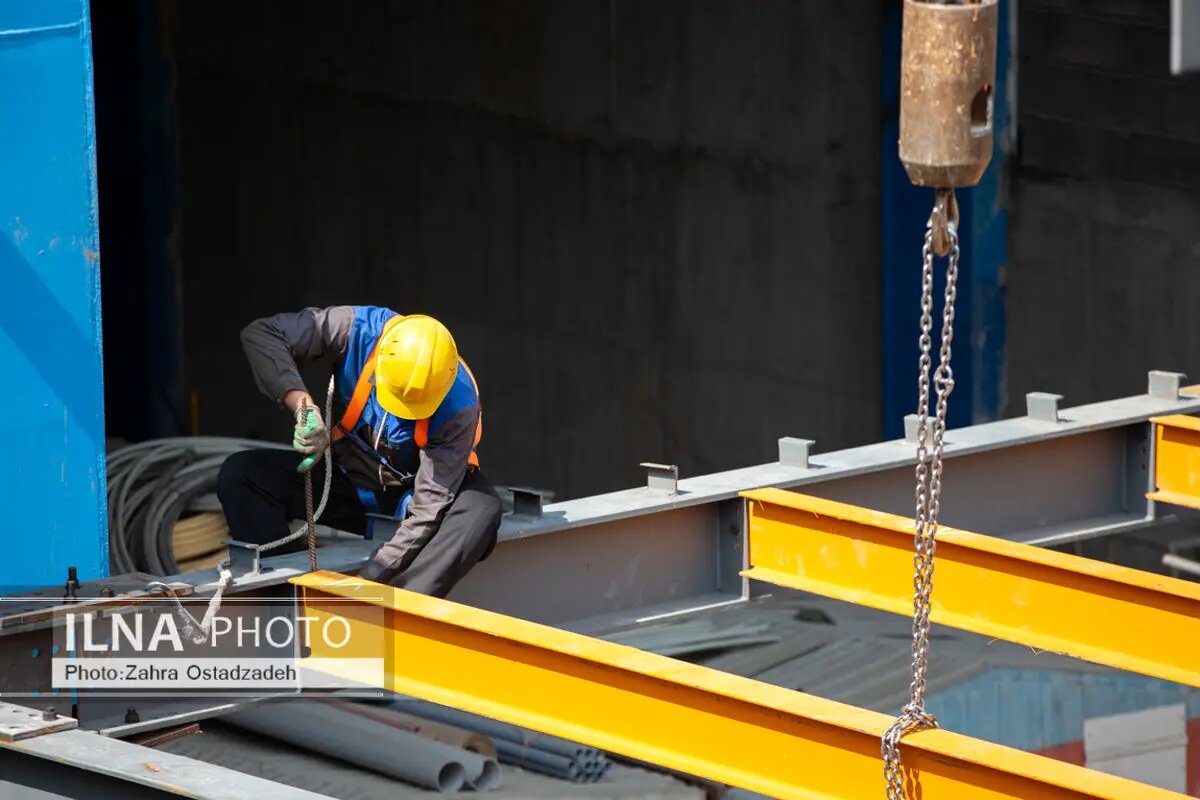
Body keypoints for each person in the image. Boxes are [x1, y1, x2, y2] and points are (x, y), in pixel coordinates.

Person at [216, 306, 502, 597]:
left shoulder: (459, 405)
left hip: (413, 499)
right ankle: (286, 600)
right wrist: (304, 405)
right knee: (242, 475)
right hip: (348, 482)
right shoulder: (356, 330)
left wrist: (369, 579)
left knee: (480, 510)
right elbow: (261, 334)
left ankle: (404, 606)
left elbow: (429, 507)